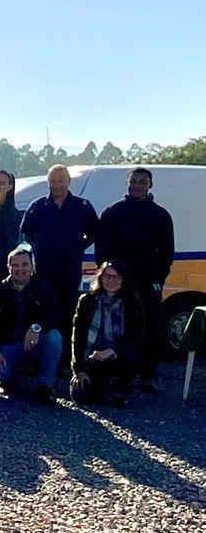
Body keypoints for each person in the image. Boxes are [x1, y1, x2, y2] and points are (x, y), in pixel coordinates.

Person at [94, 168, 174, 392]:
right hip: (116, 282)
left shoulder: (160, 215)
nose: (137, 185)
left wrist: (159, 277)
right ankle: (116, 373)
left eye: (142, 182)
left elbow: (167, 252)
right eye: (134, 181)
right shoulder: (112, 212)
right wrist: (107, 275)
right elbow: (101, 249)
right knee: (118, 327)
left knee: (150, 328)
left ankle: (148, 374)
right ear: (127, 183)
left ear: (150, 185)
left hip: (148, 282)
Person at [20, 166, 99, 364]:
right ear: (48, 182)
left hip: (69, 271)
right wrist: (40, 246)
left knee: (68, 315)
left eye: (61, 180)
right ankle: (37, 358)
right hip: (44, 271)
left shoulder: (82, 206)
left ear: (68, 181)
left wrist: (79, 246)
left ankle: (65, 361)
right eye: (53, 181)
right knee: (41, 314)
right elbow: (26, 231)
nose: (57, 185)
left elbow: (95, 231)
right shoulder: (37, 206)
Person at [0, 247, 62, 404]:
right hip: (7, 346)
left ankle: (45, 385)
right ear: (8, 267)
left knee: (54, 338)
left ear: (32, 267)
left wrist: (37, 327)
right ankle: (8, 380)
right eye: (15, 265)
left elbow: (56, 315)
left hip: (34, 344)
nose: (20, 269)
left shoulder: (43, 289)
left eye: (24, 265)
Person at [70, 261, 146, 409]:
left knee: (134, 356)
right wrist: (78, 369)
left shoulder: (132, 302)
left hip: (119, 356)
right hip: (92, 357)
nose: (111, 281)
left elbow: (138, 337)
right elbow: (77, 337)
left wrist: (112, 351)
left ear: (124, 280)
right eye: (107, 277)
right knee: (80, 396)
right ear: (100, 278)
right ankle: (103, 385)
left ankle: (121, 384)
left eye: (116, 277)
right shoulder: (87, 301)